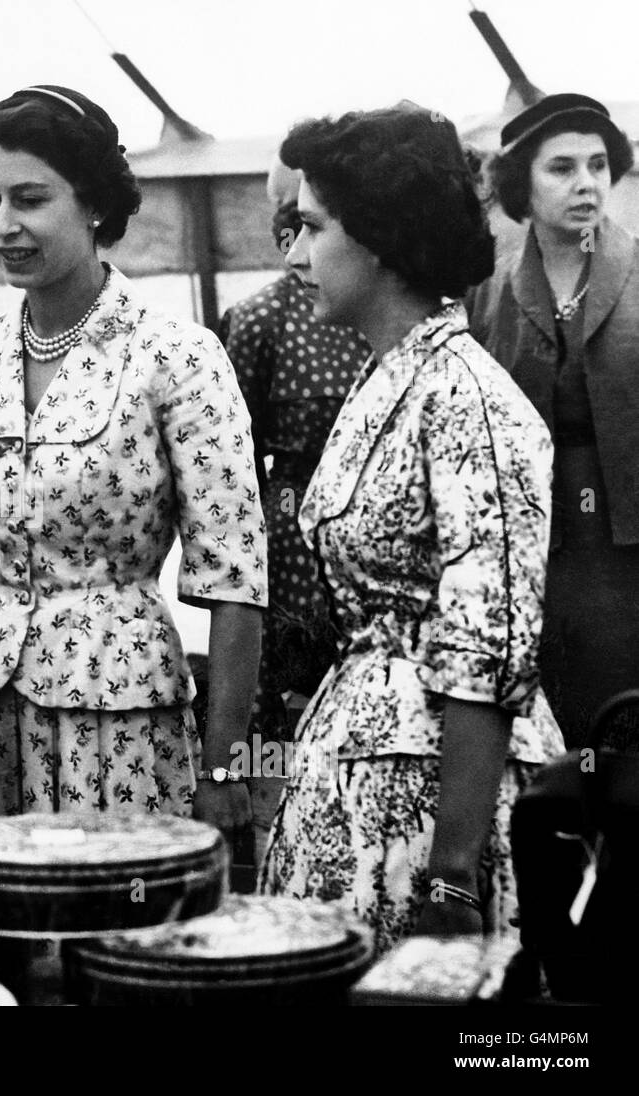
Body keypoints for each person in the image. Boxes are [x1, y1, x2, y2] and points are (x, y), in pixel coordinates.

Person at [255, 105, 565, 951]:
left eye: (312, 227)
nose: (293, 255)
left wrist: (453, 880)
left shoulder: (468, 400)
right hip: (361, 789)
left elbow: (488, 653)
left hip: (433, 818)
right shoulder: (391, 374)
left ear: (383, 238)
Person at [0, 86, 265, 829]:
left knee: (119, 925)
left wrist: (223, 764)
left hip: (119, 725)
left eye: (30, 199)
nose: (3, 226)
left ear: (93, 204)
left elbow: (236, 579)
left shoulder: (176, 356)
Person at [468, 93, 639, 748]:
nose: (585, 184)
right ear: (522, 184)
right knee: (557, 732)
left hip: (629, 552)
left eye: (597, 165)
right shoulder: (490, 288)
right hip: (537, 548)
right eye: (561, 168)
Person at [220, 160, 370, 745]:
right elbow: (233, 460)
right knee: (296, 695)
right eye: (295, 229)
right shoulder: (260, 318)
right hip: (289, 519)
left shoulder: (373, 307)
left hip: (372, 505)